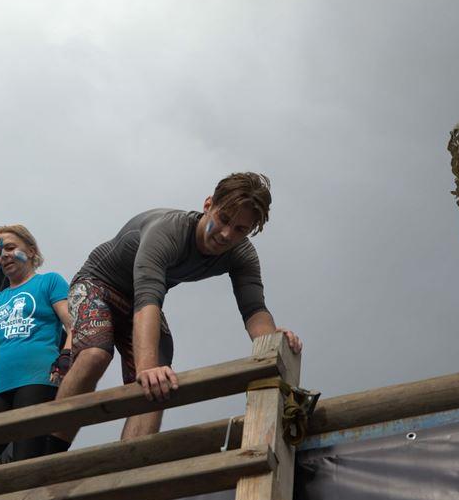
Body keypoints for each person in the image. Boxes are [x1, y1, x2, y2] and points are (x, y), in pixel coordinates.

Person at [47, 172, 303, 451]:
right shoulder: (169, 230)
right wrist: (146, 368)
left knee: (160, 382)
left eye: (240, 229)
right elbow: (148, 299)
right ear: (208, 205)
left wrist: (271, 340)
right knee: (97, 354)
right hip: (98, 284)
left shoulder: (241, 254)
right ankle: (46, 450)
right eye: (223, 219)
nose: (226, 234)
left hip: (138, 300)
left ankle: (129, 465)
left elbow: (254, 309)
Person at [0, 225, 73, 471]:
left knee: (27, 457)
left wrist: (66, 354)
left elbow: (72, 325)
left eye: (10, 248)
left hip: (37, 379)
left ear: (30, 251)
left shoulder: (49, 282)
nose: (4, 255)